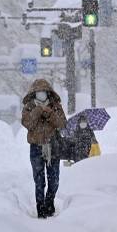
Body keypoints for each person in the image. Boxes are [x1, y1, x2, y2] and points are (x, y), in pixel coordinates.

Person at [21, 79, 67, 219]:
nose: (41, 94)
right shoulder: (29, 107)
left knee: (54, 180)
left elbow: (62, 124)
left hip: (53, 147)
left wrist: (50, 113)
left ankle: (49, 202)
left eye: (44, 92)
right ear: (34, 93)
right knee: (39, 180)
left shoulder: (55, 106)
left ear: (48, 93)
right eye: (38, 92)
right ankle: (40, 208)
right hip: (36, 148)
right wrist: (37, 111)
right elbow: (27, 123)